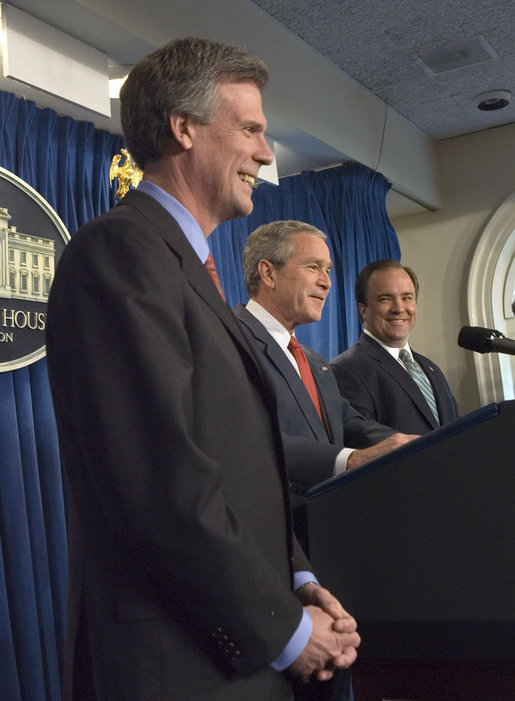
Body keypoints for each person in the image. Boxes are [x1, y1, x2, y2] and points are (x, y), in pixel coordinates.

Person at [46, 38, 360, 701]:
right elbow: (162, 478)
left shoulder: (187, 269)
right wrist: (286, 630)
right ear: (183, 128)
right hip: (178, 665)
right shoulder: (118, 253)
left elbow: (237, 466)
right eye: (249, 129)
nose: (266, 153)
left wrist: (297, 579)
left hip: (231, 653)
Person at [234, 221, 417, 497]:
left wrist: (422, 444)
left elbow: (351, 425)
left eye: (328, 270)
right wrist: (351, 460)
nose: (327, 282)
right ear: (268, 273)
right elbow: (246, 440)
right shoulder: (231, 343)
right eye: (313, 267)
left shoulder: (313, 361)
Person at [330, 259, 459, 434]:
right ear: (363, 310)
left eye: (407, 298)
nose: (399, 308)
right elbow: (362, 442)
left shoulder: (431, 369)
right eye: (385, 299)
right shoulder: (345, 370)